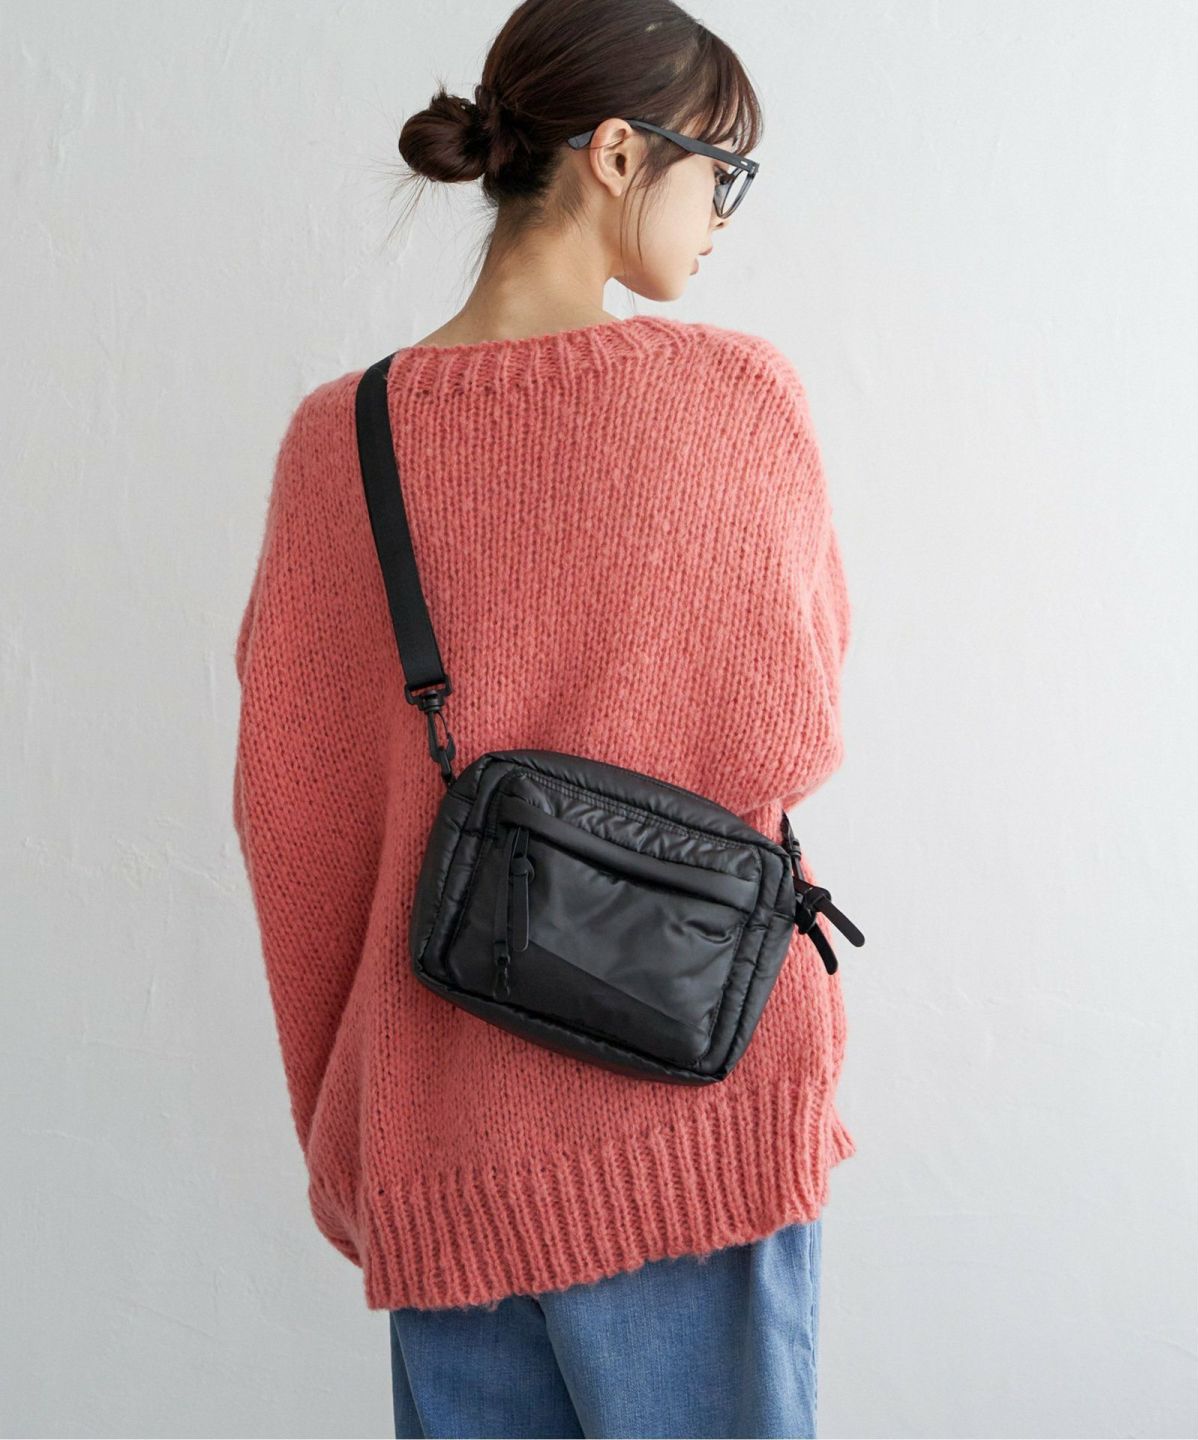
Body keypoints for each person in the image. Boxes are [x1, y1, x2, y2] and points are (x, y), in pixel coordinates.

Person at [232, 1, 857, 1435]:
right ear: (620, 156)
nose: (724, 216)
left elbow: (293, 827)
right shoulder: (737, 395)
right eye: (722, 173)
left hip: (442, 1146)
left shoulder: (343, 438)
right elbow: (796, 727)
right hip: (700, 1116)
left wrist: (352, 1134)